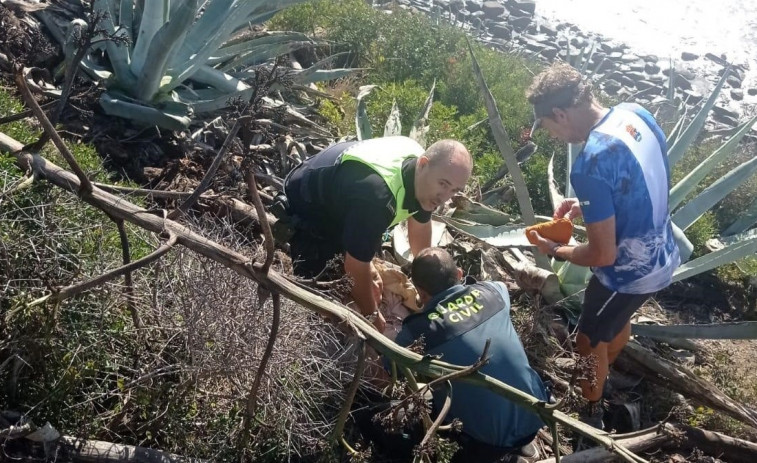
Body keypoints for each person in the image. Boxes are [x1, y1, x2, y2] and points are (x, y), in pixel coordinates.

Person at [526, 62, 680, 429]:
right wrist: (591, 206)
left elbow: (602, 255)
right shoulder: (634, 114)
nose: (553, 136)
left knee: (587, 339)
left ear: (560, 114)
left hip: (628, 274)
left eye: (547, 127)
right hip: (665, 255)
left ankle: (589, 410)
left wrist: (554, 250)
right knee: (615, 321)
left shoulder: (591, 161)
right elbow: (640, 178)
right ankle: (604, 367)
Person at [283, 136, 472, 332]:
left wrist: (429, 285)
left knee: (366, 275)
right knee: (321, 304)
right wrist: (371, 315)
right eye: (443, 184)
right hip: (310, 205)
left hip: (348, 199)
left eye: (454, 190)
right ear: (423, 164)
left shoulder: (424, 180)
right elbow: (354, 265)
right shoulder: (377, 198)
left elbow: (421, 226)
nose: (445, 198)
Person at [395, 247, 548, 462]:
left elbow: (388, 370)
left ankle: (500, 456)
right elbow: (500, 286)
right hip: (536, 415)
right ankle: (520, 446)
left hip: (484, 443)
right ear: (459, 274)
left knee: (384, 420)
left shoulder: (417, 331)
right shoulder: (494, 292)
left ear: (420, 291)